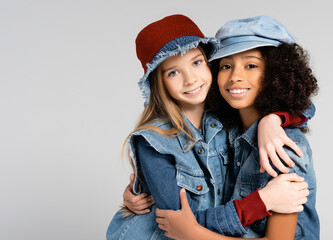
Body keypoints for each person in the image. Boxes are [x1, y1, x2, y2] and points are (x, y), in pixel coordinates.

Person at [106, 14, 313, 240]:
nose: (191, 79)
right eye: (173, 72)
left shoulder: (266, 137)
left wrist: (272, 120)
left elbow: (303, 105)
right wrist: (260, 203)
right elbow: (177, 223)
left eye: (196, 63)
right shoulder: (162, 139)